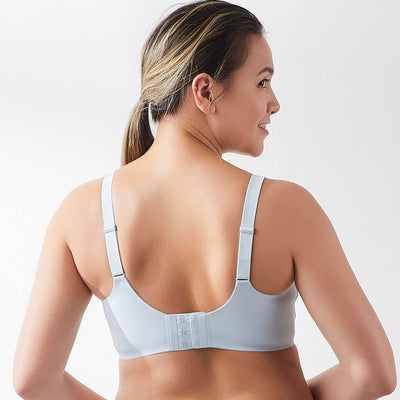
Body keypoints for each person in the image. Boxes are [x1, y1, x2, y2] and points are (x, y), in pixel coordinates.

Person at [13, 1, 396, 399]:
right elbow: (371, 374)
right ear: (205, 90)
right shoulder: (287, 209)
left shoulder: (83, 213)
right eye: (262, 82)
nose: (274, 102)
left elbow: (33, 379)